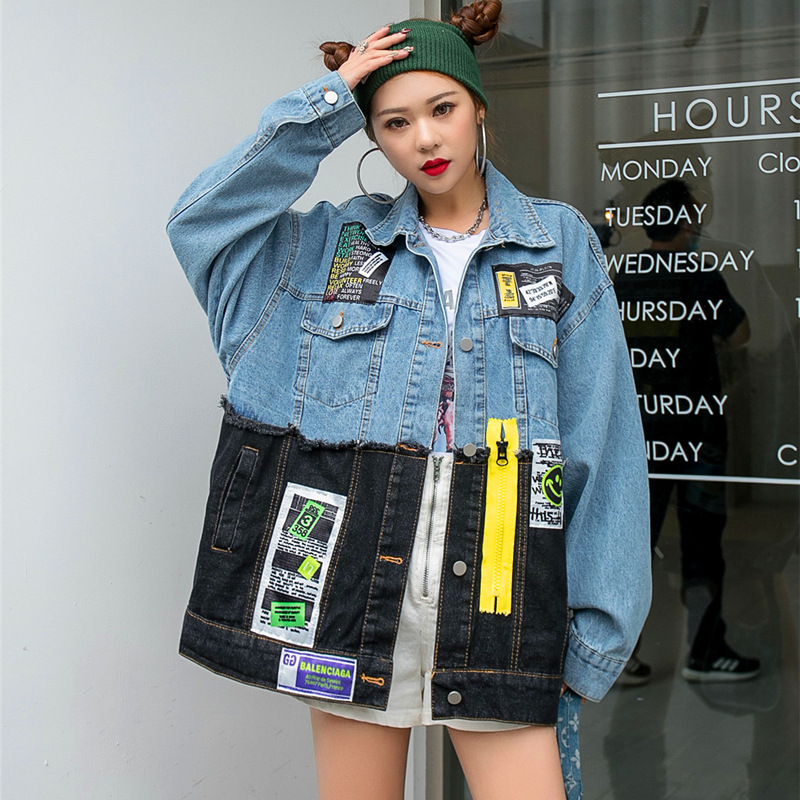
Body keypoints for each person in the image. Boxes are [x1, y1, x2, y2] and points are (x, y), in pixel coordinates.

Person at [166, 2, 651, 798]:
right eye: (394, 122)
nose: (424, 138)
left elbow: (604, 443)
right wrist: (329, 105)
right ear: (372, 137)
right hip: (348, 583)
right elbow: (200, 225)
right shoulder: (331, 248)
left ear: (478, 107)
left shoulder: (557, 243)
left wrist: (595, 637)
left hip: (500, 579)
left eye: (442, 109)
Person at [615, 179, 759, 685]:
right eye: (695, 216)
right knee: (701, 541)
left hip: (641, 432)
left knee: (634, 545)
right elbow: (740, 334)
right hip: (695, 430)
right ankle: (706, 652)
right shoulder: (699, 275)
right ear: (683, 223)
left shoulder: (626, 275)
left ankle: (617, 656)